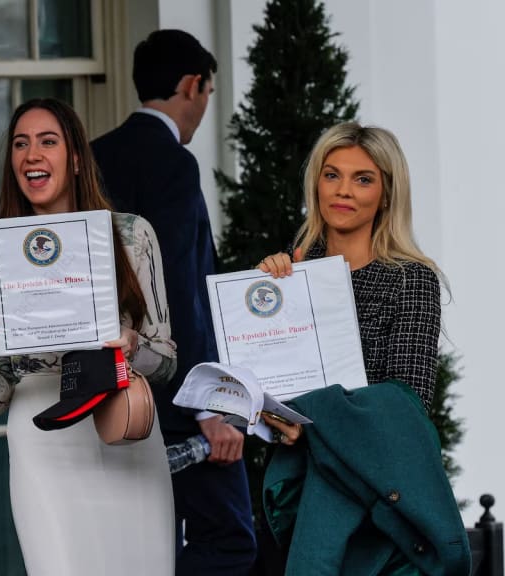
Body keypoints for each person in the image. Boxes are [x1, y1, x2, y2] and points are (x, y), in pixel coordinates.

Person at [0, 98, 177, 576]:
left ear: (76, 158)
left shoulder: (132, 236)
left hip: (123, 428)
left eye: (48, 141)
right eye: (21, 144)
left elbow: (165, 363)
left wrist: (131, 344)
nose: (32, 155)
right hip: (42, 442)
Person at [90, 29, 256, 573]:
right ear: (191, 86)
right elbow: (180, 286)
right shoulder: (173, 162)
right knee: (228, 541)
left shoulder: (92, 156)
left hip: (102, 391)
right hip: (176, 397)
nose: (204, 107)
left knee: (133, 547)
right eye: (207, 93)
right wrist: (209, 406)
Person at [257, 121, 443, 441]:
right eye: (332, 175)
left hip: (370, 465)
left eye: (363, 179)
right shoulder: (292, 266)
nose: (343, 190)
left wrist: (313, 427)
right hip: (293, 465)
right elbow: (265, 380)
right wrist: (259, 296)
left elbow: (407, 404)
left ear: (386, 195)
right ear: (316, 184)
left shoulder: (411, 279)